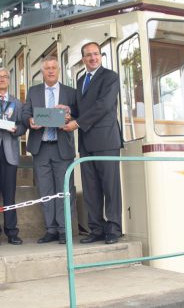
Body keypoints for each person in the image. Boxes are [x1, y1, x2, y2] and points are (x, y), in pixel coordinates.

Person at [63, 42, 123, 244]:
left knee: (110, 187)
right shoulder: (81, 80)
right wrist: (69, 111)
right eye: (88, 55)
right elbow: (82, 107)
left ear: (101, 56)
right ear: (83, 59)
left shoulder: (110, 77)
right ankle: (96, 228)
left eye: (96, 54)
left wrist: (77, 122)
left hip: (106, 140)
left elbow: (103, 106)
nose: (92, 58)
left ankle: (114, 229)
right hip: (87, 142)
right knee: (90, 188)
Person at [23, 56, 76, 244]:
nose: (51, 71)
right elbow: (25, 113)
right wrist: (30, 121)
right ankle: (51, 229)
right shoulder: (33, 91)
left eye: (54, 67)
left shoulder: (71, 92)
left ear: (59, 70)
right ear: (42, 71)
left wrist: (69, 116)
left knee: (64, 190)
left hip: (62, 148)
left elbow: (78, 116)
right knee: (46, 190)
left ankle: (64, 230)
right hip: (41, 147)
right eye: (47, 68)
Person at [0, 67, 26, 246]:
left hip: (10, 152)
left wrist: (17, 129)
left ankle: (12, 232)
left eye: (5, 77)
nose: (2, 79)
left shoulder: (17, 103)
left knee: (10, 195)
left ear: (9, 80)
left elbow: (24, 125)